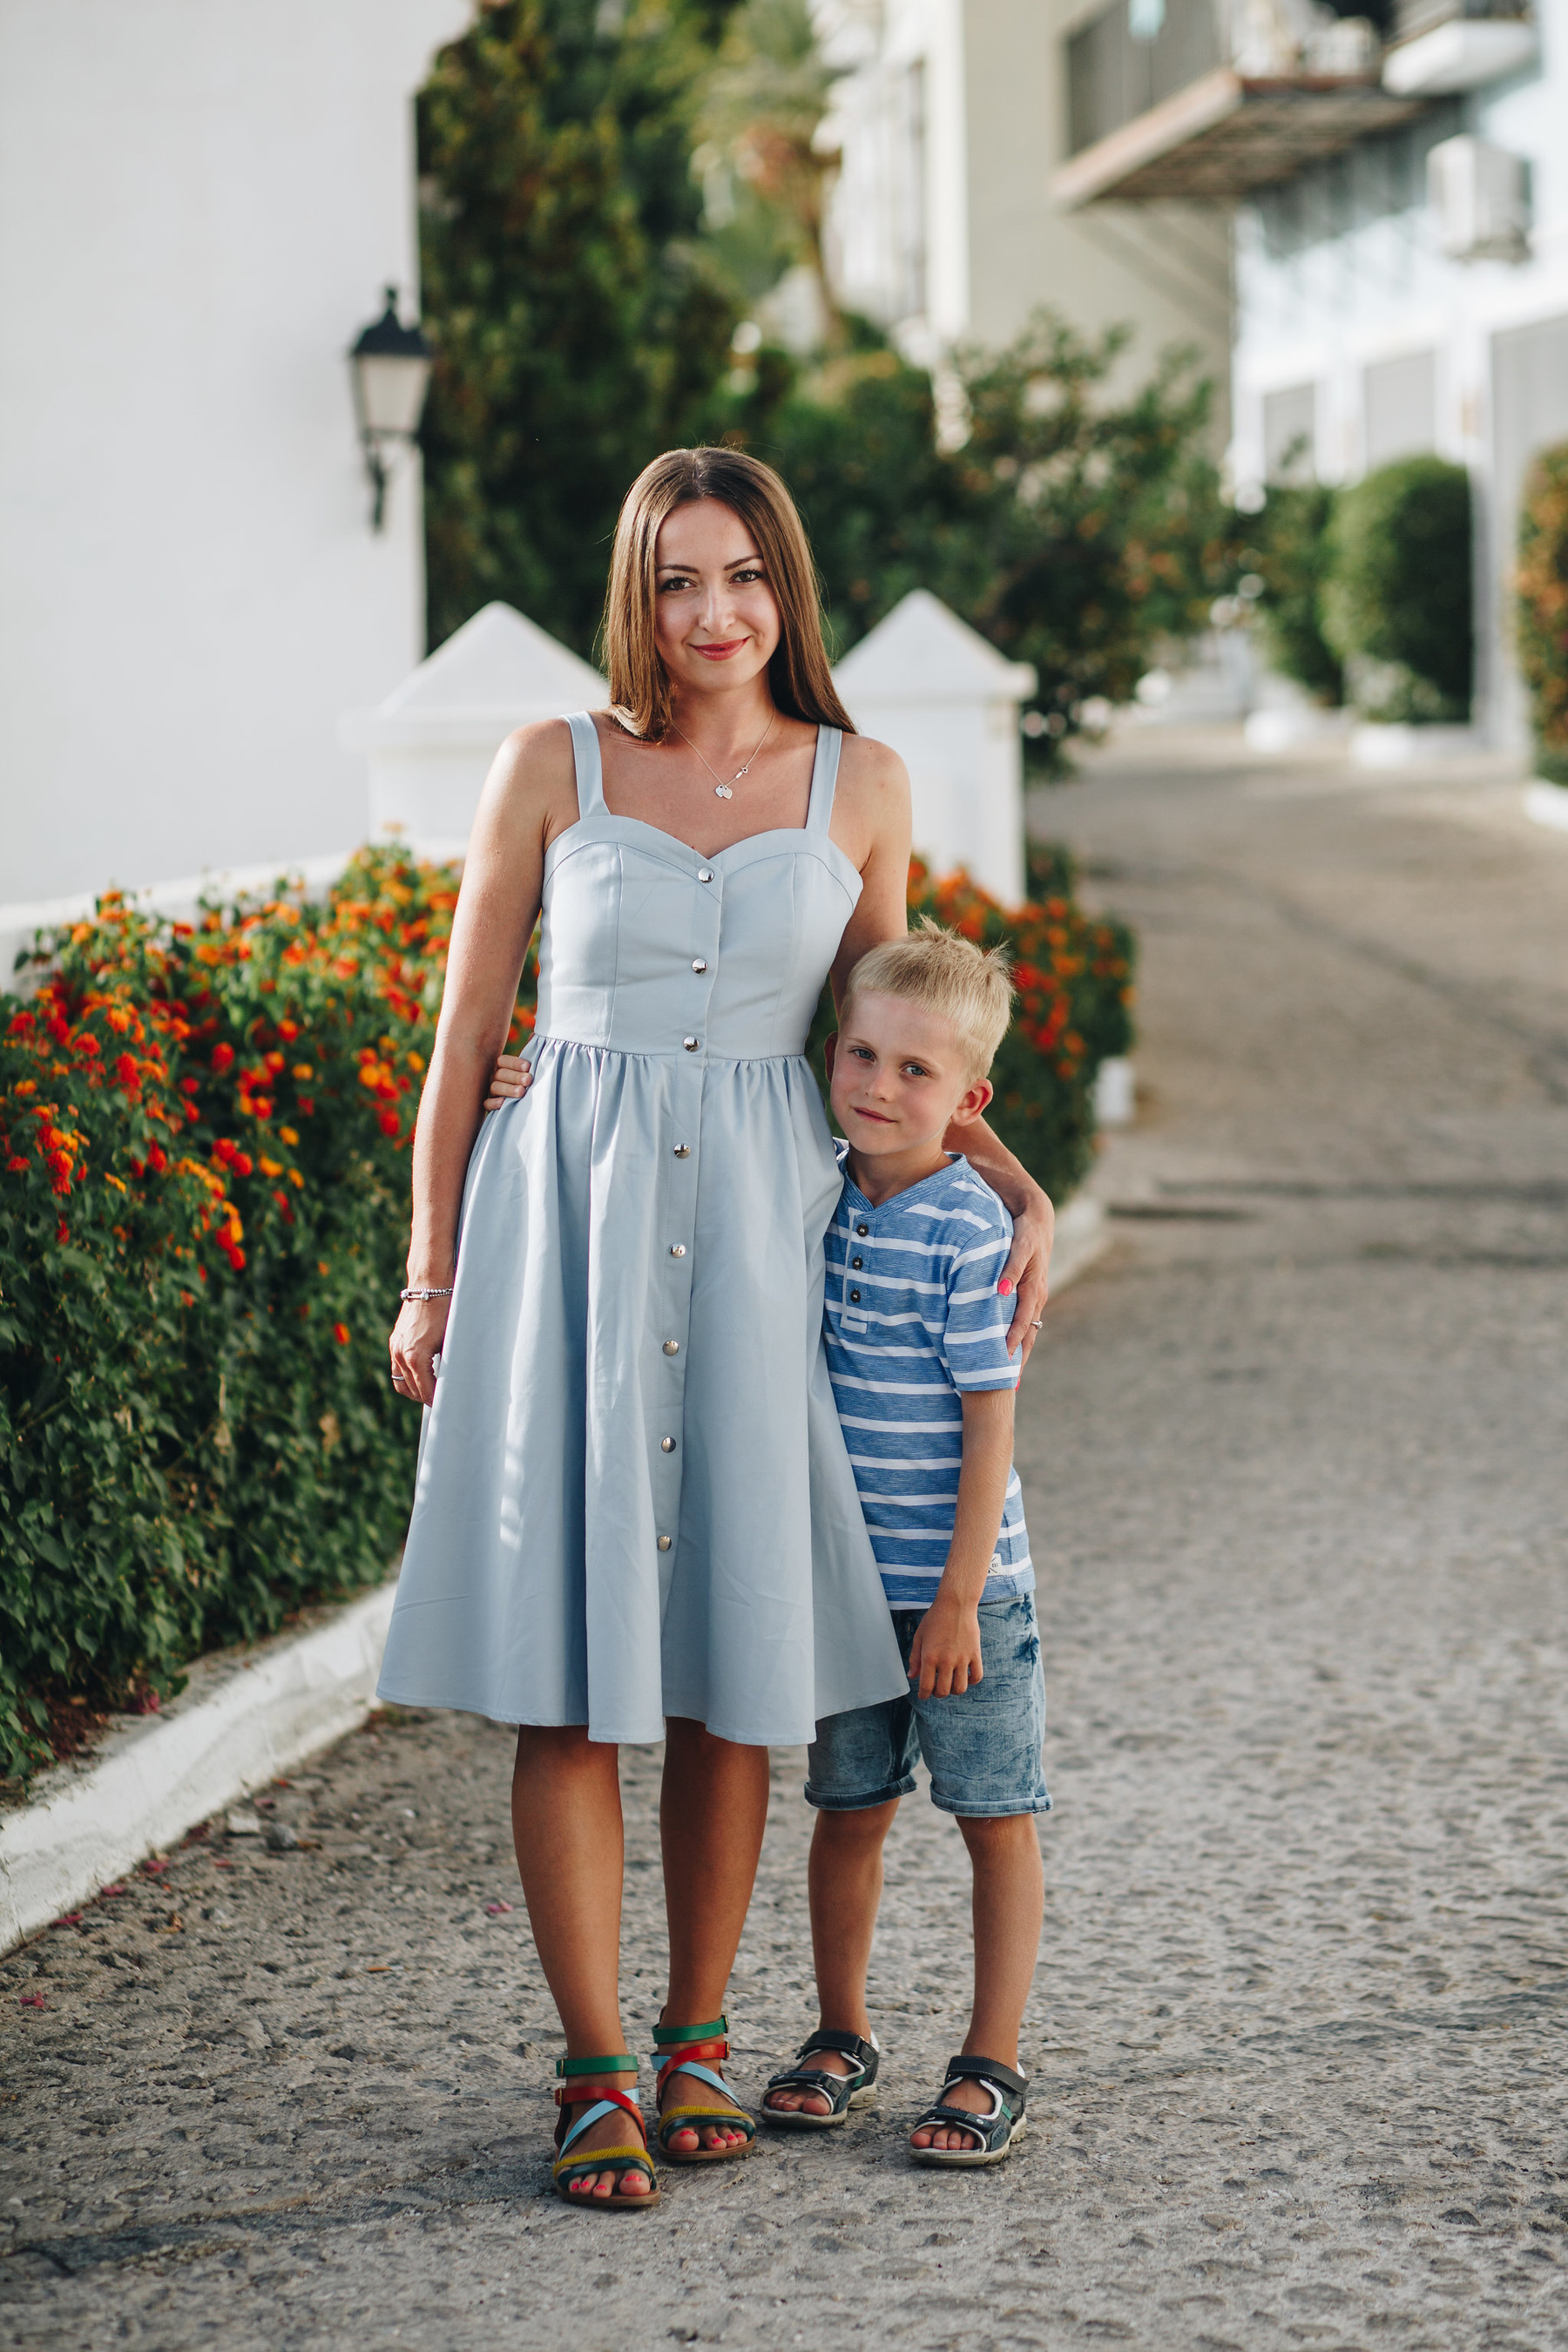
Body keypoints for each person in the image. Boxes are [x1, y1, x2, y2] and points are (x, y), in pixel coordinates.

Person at [389, 445, 1054, 2213]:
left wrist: (1021, 1186)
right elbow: (465, 1046)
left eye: (744, 576)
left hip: (771, 1249)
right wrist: (429, 1273)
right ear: (639, 589)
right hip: (570, 1241)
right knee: (566, 1669)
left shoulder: (865, 782)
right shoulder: (551, 763)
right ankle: (596, 2064)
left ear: (788, 587)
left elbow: (904, 1040)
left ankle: (701, 2037)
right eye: (680, 579)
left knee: (729, 1681)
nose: (713, 614)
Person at [759, 923, 1048, 2166]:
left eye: (915, 1072)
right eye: (860, 1055)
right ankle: (841, 2035)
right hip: (842, 1586)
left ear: (970, 1100)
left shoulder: (969, 1230)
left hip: (962, 1596)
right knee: (849, 1810)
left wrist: (957, 1599)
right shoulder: (814, 1184)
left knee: (994, 1816)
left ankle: (991, 2061)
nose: (878, 1086)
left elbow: (993, 1428)